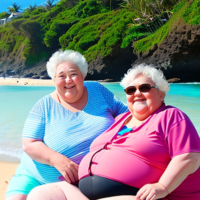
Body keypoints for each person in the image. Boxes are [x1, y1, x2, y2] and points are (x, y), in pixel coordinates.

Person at [27, 64, 200, 200]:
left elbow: (189, 157)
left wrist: (162, 187)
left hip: (140, 196)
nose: (137, 93)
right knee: (41, 195)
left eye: (145, 88)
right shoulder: (120, 121)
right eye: (131, 90)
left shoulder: (170, 116)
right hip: (87, 193)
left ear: (161, 94)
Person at [5, 50, 128, 200]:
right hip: (33, 176)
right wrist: (58, 160)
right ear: (54, 79)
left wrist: (117, 135)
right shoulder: (43, 106)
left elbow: (125, 113)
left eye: (73, 74)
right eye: (61, 76)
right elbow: (29, 144)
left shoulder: (98, 90)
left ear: (83, 75)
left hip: (83, 184)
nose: (68, 80)